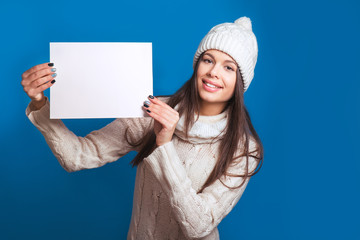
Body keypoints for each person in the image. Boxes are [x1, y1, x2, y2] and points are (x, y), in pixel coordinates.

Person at [21, 16, 264, 240]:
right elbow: (76, 156)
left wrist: (164, 144)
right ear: (197, 65)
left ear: (241, 81)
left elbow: (197, 226)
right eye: (208, 60)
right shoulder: (152, 111)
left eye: (228, 67)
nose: (213, 72)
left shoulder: (244, 149)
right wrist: (40, 103)